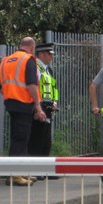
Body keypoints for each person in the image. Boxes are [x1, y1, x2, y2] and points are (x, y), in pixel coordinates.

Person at [0, 37, 46, 186]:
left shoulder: (6, 60)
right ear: (31, 47)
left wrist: (11, 96)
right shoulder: (28, 59)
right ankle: (15, 175)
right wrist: (38, 106)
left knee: (19, 138)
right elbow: (31, 85)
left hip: (11, 103)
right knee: (21, 140)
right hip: (24, 104)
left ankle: (21, 171)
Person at [28, 42, 60, 180]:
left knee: (46, 140)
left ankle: (45, 169)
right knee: (37, 139)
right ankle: (36, 170)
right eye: (49, 54)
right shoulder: (36, 68)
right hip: (39, 107)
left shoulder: (48, 69)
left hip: (48, 107)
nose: (52, 56)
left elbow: (54, 88)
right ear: (41, 54)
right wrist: (37, 106)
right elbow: (34, 87)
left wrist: (55, 102)